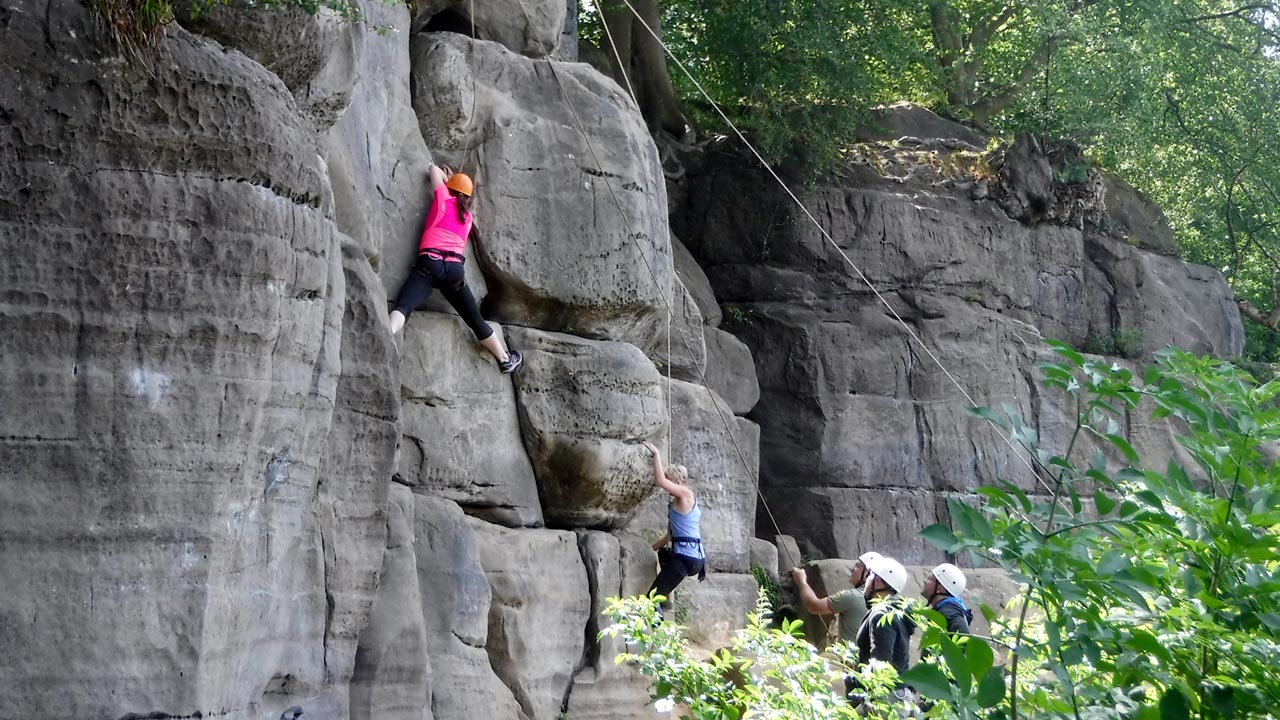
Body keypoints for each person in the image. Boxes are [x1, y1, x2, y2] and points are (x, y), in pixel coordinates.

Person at [388, 163, 522, 374]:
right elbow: (458, 200)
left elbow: (432, 169)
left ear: (449, 188)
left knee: (403, 306)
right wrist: (452, 182)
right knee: (475, 319)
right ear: (468, 197)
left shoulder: (442, 198)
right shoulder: (467, 218)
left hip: (429, 264)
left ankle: (386, 333)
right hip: (454, 271)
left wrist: (446, 177)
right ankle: (505, 358)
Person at [642, 441, 706, 606]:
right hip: (689, 557)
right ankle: (667, 598)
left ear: (681, 481)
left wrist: (656, 454)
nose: (669, 486)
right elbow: (669, 537)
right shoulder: (674, 507)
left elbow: (660, 481)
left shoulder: (686, 494)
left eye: (672, 482)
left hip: (687, 559)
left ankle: (659, 626)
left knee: (651, 599)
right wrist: (648, 550)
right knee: (663, 553)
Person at [790, 551, 884, 644]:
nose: (852, 568)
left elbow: (813, 605)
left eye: (858, 566)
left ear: (867, 573)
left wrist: (802, 581)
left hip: (848, 656)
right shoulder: (887, 603)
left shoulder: (852, 597)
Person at [921, 563, 972, 634]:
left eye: (930, 578)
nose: (925, 581)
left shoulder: (949, 613)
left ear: (939, 588)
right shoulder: (949, 610)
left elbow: (964, 638)